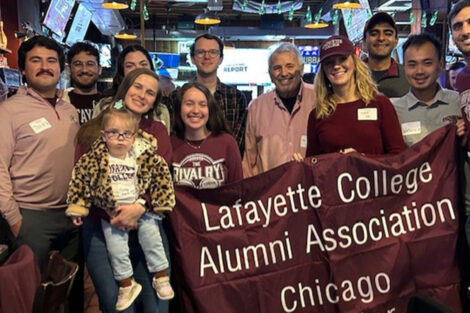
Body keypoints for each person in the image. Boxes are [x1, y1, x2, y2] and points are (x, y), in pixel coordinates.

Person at [77, 68, 172, 313]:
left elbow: (162, 178)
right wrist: (116, 213)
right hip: (101, 228)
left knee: (156, 305)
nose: (142, 95)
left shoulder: (157, 132)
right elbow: (84, 177)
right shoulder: (91, 130)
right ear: (125, 87)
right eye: (137, 87)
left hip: (147, 222)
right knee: (117, 305)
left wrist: (138, 208)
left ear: (155, 101)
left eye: (150, 92)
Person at [0, 35, 82, 311]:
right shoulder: (8, 111)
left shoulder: (68, 109)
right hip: (30, 218)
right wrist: (14, 219)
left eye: (51, 61)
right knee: (30, 297)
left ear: (60, 68)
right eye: (36, 60)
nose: (45, 66)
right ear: (23, 68)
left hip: (72, 215)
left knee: (68, 292)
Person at [306, 35, 406, 157]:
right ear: (323, 71)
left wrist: (362, 159)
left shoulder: (380, 104)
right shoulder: (318, 114)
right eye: (329, 63)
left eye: (342, 59)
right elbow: (313, 164)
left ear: (354, 62)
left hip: (373, 176)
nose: (336, 66)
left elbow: (398, 156)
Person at [242, 42, 315, 177]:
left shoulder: (319, 100)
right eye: (277, 68)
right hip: (269, 194)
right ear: (270, 74)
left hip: (310, 193)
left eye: (289, 66)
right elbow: (248, 161)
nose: (283, 73)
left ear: (301, 69)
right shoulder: (257, 107)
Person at [165, 34, 247, 153]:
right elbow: (174, 137)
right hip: (185, 165)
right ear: (192, 59)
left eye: (213, 52)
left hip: (223, 166)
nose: (207, 56)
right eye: (201, 52)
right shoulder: (176, 96)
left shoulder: (236, 97)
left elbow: (237, 143)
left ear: (221, 59)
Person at [392, 33, 465, 147]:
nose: (419, 71)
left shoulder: (460, 102)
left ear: (440, 64)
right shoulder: (395, 111)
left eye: (427, 63)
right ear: (404, 67)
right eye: (412, 64)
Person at [171, 82, 243, 188]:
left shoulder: (227, 142)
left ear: (210, 109)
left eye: (202, 104)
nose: (196, 110)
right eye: (189, 104)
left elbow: (238, 189)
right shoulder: (169, 144)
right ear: (179, 108)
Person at [94, 45, 171, 132]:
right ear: (122, 71)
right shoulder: (105, 106)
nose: (138, 69)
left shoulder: (160, 111)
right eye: (130, 66)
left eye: (143, 64)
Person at [363, 12, 409, 98]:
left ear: (396, 41)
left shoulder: (409, 77)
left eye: (388, 33)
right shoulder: (350, 76)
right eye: (374, 33)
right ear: (364, 41)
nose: (381, 38)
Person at [65, 41, 103, 125]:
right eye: (78, 64)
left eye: (90, 64)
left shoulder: (108, 104)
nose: (84, 70)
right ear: (69, 69)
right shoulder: (59, 103)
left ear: (99, 69)